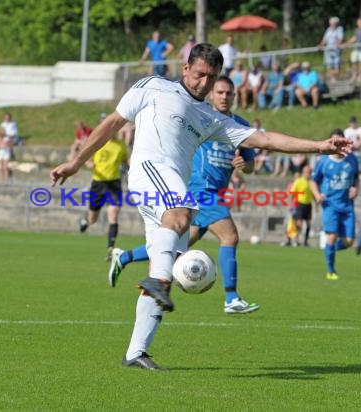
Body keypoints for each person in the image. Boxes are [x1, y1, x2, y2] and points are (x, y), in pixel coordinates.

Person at [50, 43, 352, 370]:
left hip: (168, 187)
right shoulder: (154, 86)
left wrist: (320, 146)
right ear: (185, 69)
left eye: (211, 77)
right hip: (149, 171)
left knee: (168, 255)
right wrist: (76, 161)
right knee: (183, 214)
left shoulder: (211, 118)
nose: (204, 84)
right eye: (199, 75)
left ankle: (136, 351)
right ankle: (159, 282)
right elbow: (112, 123)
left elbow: (265, 139)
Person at [107, 75, 260, 315]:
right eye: (219, 92)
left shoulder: (239, 125)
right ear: (211, 93)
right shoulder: (200, 116)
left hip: (216, 191)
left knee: (175, 246)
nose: (224, 97)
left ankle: (123, 257)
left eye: (229, 93)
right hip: (200, 189)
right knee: (230, 237)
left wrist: (244, 164)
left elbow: (250, 165)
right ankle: (231, 298)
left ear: (234, 96)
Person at [310, 129, 359, 281]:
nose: (335, 144)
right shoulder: (323, 161)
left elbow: (356, 178)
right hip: (330, 205)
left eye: (339, 141)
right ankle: (331, 271)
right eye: (333, 141)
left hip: (347, 206)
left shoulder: (352, 159)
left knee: (349, 242)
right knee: (332, 236)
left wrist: (355, 188)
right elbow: (313, 181)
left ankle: (329, 250)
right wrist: (317, 195)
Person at [79, 126, 129, 260]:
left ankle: (110, 248)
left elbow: (126, 162)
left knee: (113, 214)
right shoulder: (97, 142)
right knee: (93, 219)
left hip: (114, 184)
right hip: (98, 184)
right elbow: (85, 156)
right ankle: (86, 221)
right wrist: (89, 163)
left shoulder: (120, 146)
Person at [290, 165, 314, 247]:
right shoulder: (299, 181)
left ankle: (306, 241)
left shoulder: (311, 182)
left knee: (308, 224)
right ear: (304, 172)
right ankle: (295, 239)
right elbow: (293, 193)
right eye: (308, 172)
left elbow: (313, 193)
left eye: (310, 172)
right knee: (299, 223)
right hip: (299, 203)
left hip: (308, 204)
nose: (309, 174)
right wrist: (292, 204)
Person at [345, 18, 361, 83]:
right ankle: (354, 75)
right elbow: (354, 38)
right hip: (356, 49)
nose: (360, 24)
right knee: (354, 63)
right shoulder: (356, 30)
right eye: (359, 23)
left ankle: (360, 76)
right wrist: (348, 43)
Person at [319, 17, 344, 82]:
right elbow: (325, 39)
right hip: (328, 51)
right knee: (330, 66)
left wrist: (338, 43)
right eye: (331, 23)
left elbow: (340, 39)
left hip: (336, 51)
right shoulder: (328, 29)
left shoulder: (339, 29)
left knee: (337, 66)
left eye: (334, 23)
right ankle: (333, 78)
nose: (333, 24)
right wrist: (321, 44)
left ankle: (335, 76)